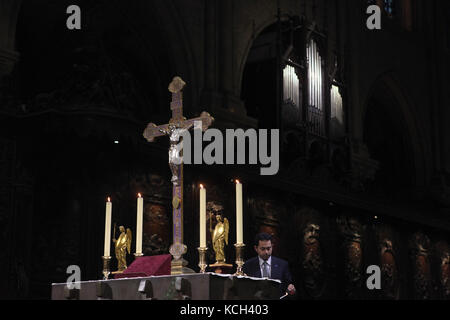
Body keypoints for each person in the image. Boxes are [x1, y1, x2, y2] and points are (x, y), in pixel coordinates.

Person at [243, 232, 296, 297]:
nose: (266, 252)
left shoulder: (282, 265)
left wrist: (291, 289)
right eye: (263, 249)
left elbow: (289, 286)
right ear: (256, 248)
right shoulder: (248, 265)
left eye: (268, 248)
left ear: (272, 247)